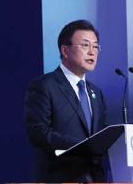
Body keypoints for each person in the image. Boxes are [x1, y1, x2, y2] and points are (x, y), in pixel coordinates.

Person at [24, 20, 108, 182]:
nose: (92, 52)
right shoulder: (44, 86)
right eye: (85, 45)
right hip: (60, 177)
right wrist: (81, 146)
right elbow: (38, 133)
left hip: (95, 178)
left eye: (96, 46)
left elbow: (100, 137)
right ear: (65, 50)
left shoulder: (96, 93)